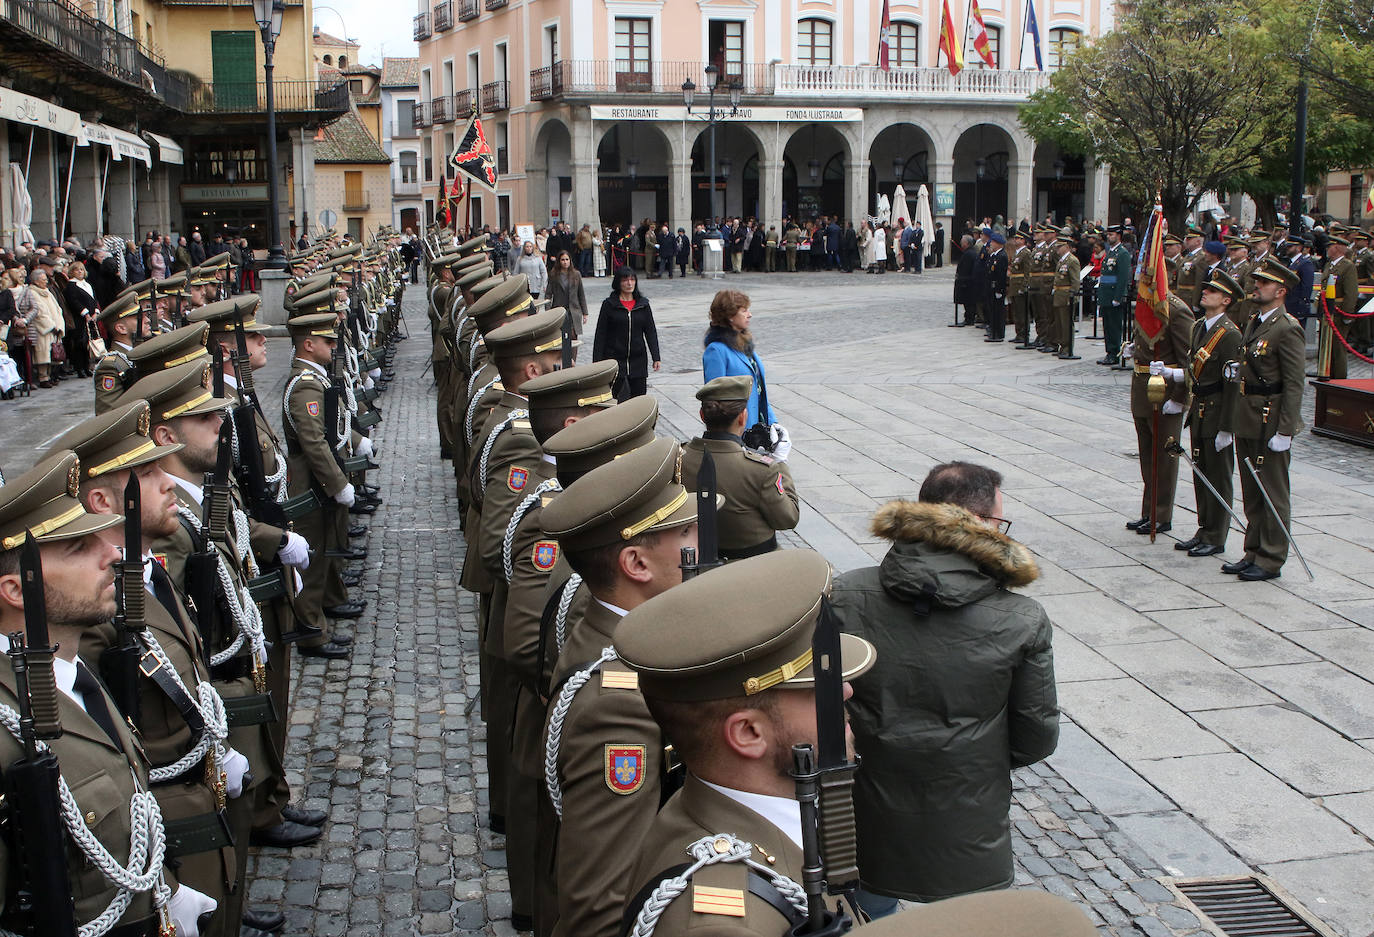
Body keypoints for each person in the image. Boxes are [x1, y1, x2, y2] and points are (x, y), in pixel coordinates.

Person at [0, 450, 216, 937]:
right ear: (17, 590)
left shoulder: (70, 673)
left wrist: (165, 892)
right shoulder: (10, 724)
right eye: (78, 549)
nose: (112, 553)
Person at [830, 462, 1057, 913]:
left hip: (867, 808)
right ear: (981, 525)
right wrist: (972, 755)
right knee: (966, 920)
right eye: (999, 521)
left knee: (868, 915)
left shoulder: (843, 594)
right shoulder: (1022, 618)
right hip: (969, 818)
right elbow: (1036, 736)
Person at [618, 549, 878, 936]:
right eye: (815, 690)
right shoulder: (723, 925)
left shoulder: (747, 810)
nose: (844, 690)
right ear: (748, 734)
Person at [539, 437, 699, 937]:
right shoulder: (622, 707)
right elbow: (600, 910)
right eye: (685, 531)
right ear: (636, 565)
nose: (700, 540)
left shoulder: (623, 632)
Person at [1222, 258, 1306, 581]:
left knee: (1272, 490)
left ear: (1281, 291)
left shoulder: (1287, 328)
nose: (1257, 286)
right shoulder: (1256, 320)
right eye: (1256, 281)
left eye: (1264, 283)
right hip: (1249, 414)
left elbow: (1295, 383)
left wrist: (1285, 430)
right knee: (1252, 489)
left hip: (1271, 418)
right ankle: (1253, 550)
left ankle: (1271, 558)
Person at [1166, 272, 1245, 559]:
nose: (1205, 293)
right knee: (1201, 473)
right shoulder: (1200, 326)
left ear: (1225, 300)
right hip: (1199, 411)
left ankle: (1217, 535)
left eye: (1212, 291)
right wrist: (1174, 374)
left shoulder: (1230, 334)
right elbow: (1192, 369)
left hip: (1216, 411)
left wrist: (1227, 427)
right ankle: (1204, 528)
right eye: (1206, 288)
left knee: (1219, 476)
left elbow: (1233, 385)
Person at [680, 375, 799, 560]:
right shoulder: (761, 470)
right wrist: (780, 461)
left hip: (695, 559)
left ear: (702, 415)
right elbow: (788, 518)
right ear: (743, 417)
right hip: (752, 565)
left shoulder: (678, 458)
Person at [1124, 283, 1195, 538]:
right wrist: (1133, 350)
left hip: (1165, 392)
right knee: (1147, 456)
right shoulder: (1146, 305)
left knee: (1164, 458)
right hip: (1143, 389)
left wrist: (1179, 398)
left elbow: (1189, 359)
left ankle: (1161, 515)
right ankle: (1148, 511)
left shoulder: (1176, 310)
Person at [702, 289, 775, 429]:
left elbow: (759, 391)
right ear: (730, 315)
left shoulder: (744, 344)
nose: (750, 314)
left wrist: (773, 423)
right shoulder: (717, 350)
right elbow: (714, 400)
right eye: (744, 310)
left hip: (756, 426)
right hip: (735, 431)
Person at [592, 267, 661, 401]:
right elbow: (600, 334)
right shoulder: (609, 304)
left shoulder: (643, 304)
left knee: (638, 399)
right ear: (618, 283)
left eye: (632, 279)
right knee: (612, 398)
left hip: (638, 360)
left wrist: (656, 356)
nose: (629, 283)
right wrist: (597, 362)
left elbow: (650, 331)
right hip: (614, 359)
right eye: (625, 280)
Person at [14, 266, 65, 388]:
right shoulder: (32, 292)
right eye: (43, 279)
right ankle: (43, 377)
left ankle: (51, 375)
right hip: (42, 329)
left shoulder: (47, 292)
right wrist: (51, 326)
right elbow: (40, 312)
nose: (46, 281)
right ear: (36, 281)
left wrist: (59, 325)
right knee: (43, 353)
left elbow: (57, 309)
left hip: (54, 328)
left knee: (52, 352)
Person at [1322, 232, 1359, 379]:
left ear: (1336, 248)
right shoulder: (1329, 265)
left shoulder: (1347, 266)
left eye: (1329, 246)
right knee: (1327, 347)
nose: (1327, 249)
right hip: (1327, 311)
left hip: (1338, 313)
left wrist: (1347, 315)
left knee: (1338, 348)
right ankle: (1327, 373)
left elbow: (1351, 293)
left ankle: (1339, 378)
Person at [1096, 225, 1132, 365]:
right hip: (1106, 293)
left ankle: (1115, 352)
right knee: (1107, 326)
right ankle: (1109, 352)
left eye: (1112, 234)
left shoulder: (1122, 253)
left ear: (1118, 236)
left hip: (1113, 294)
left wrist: (1118, 297)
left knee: (1114, 326)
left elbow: (1122, 277)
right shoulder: (1109, 253)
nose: (1109, 237)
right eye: (1108, 234)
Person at [1051, 232, 1082, 359]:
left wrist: (1073, 296)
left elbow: (1075, 281)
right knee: (1059, 323)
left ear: (1067, 246)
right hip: (1059, 295)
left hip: (1066, 296)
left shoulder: (1072, 261)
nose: (1057, 249)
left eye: (1060, 246)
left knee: (1066, 323)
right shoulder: (1061, 261)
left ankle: (1067, 347)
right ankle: (1062, 346)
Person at [984, 232, 1008, 342]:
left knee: (998, 311)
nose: (991, 244)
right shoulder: (994, 255)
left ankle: (998, 332)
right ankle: (993, 330)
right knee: (992, 310)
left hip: (997, 287)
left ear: (998, 243)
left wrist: (1000, 290)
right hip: (991, 287)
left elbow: (1001, 275)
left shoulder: (1002, 256)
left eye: (993, 242)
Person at [953, 236, 979, 327]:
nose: (961, 243)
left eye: (962, 242)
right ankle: (968, 318)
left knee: (968, 302)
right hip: (967, 281)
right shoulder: (969, 252)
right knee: (968, 302)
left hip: (967, 282)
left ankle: (969, 319)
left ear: (967, 243)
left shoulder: (969, 254)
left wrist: (962, 279)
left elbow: (966, 269)